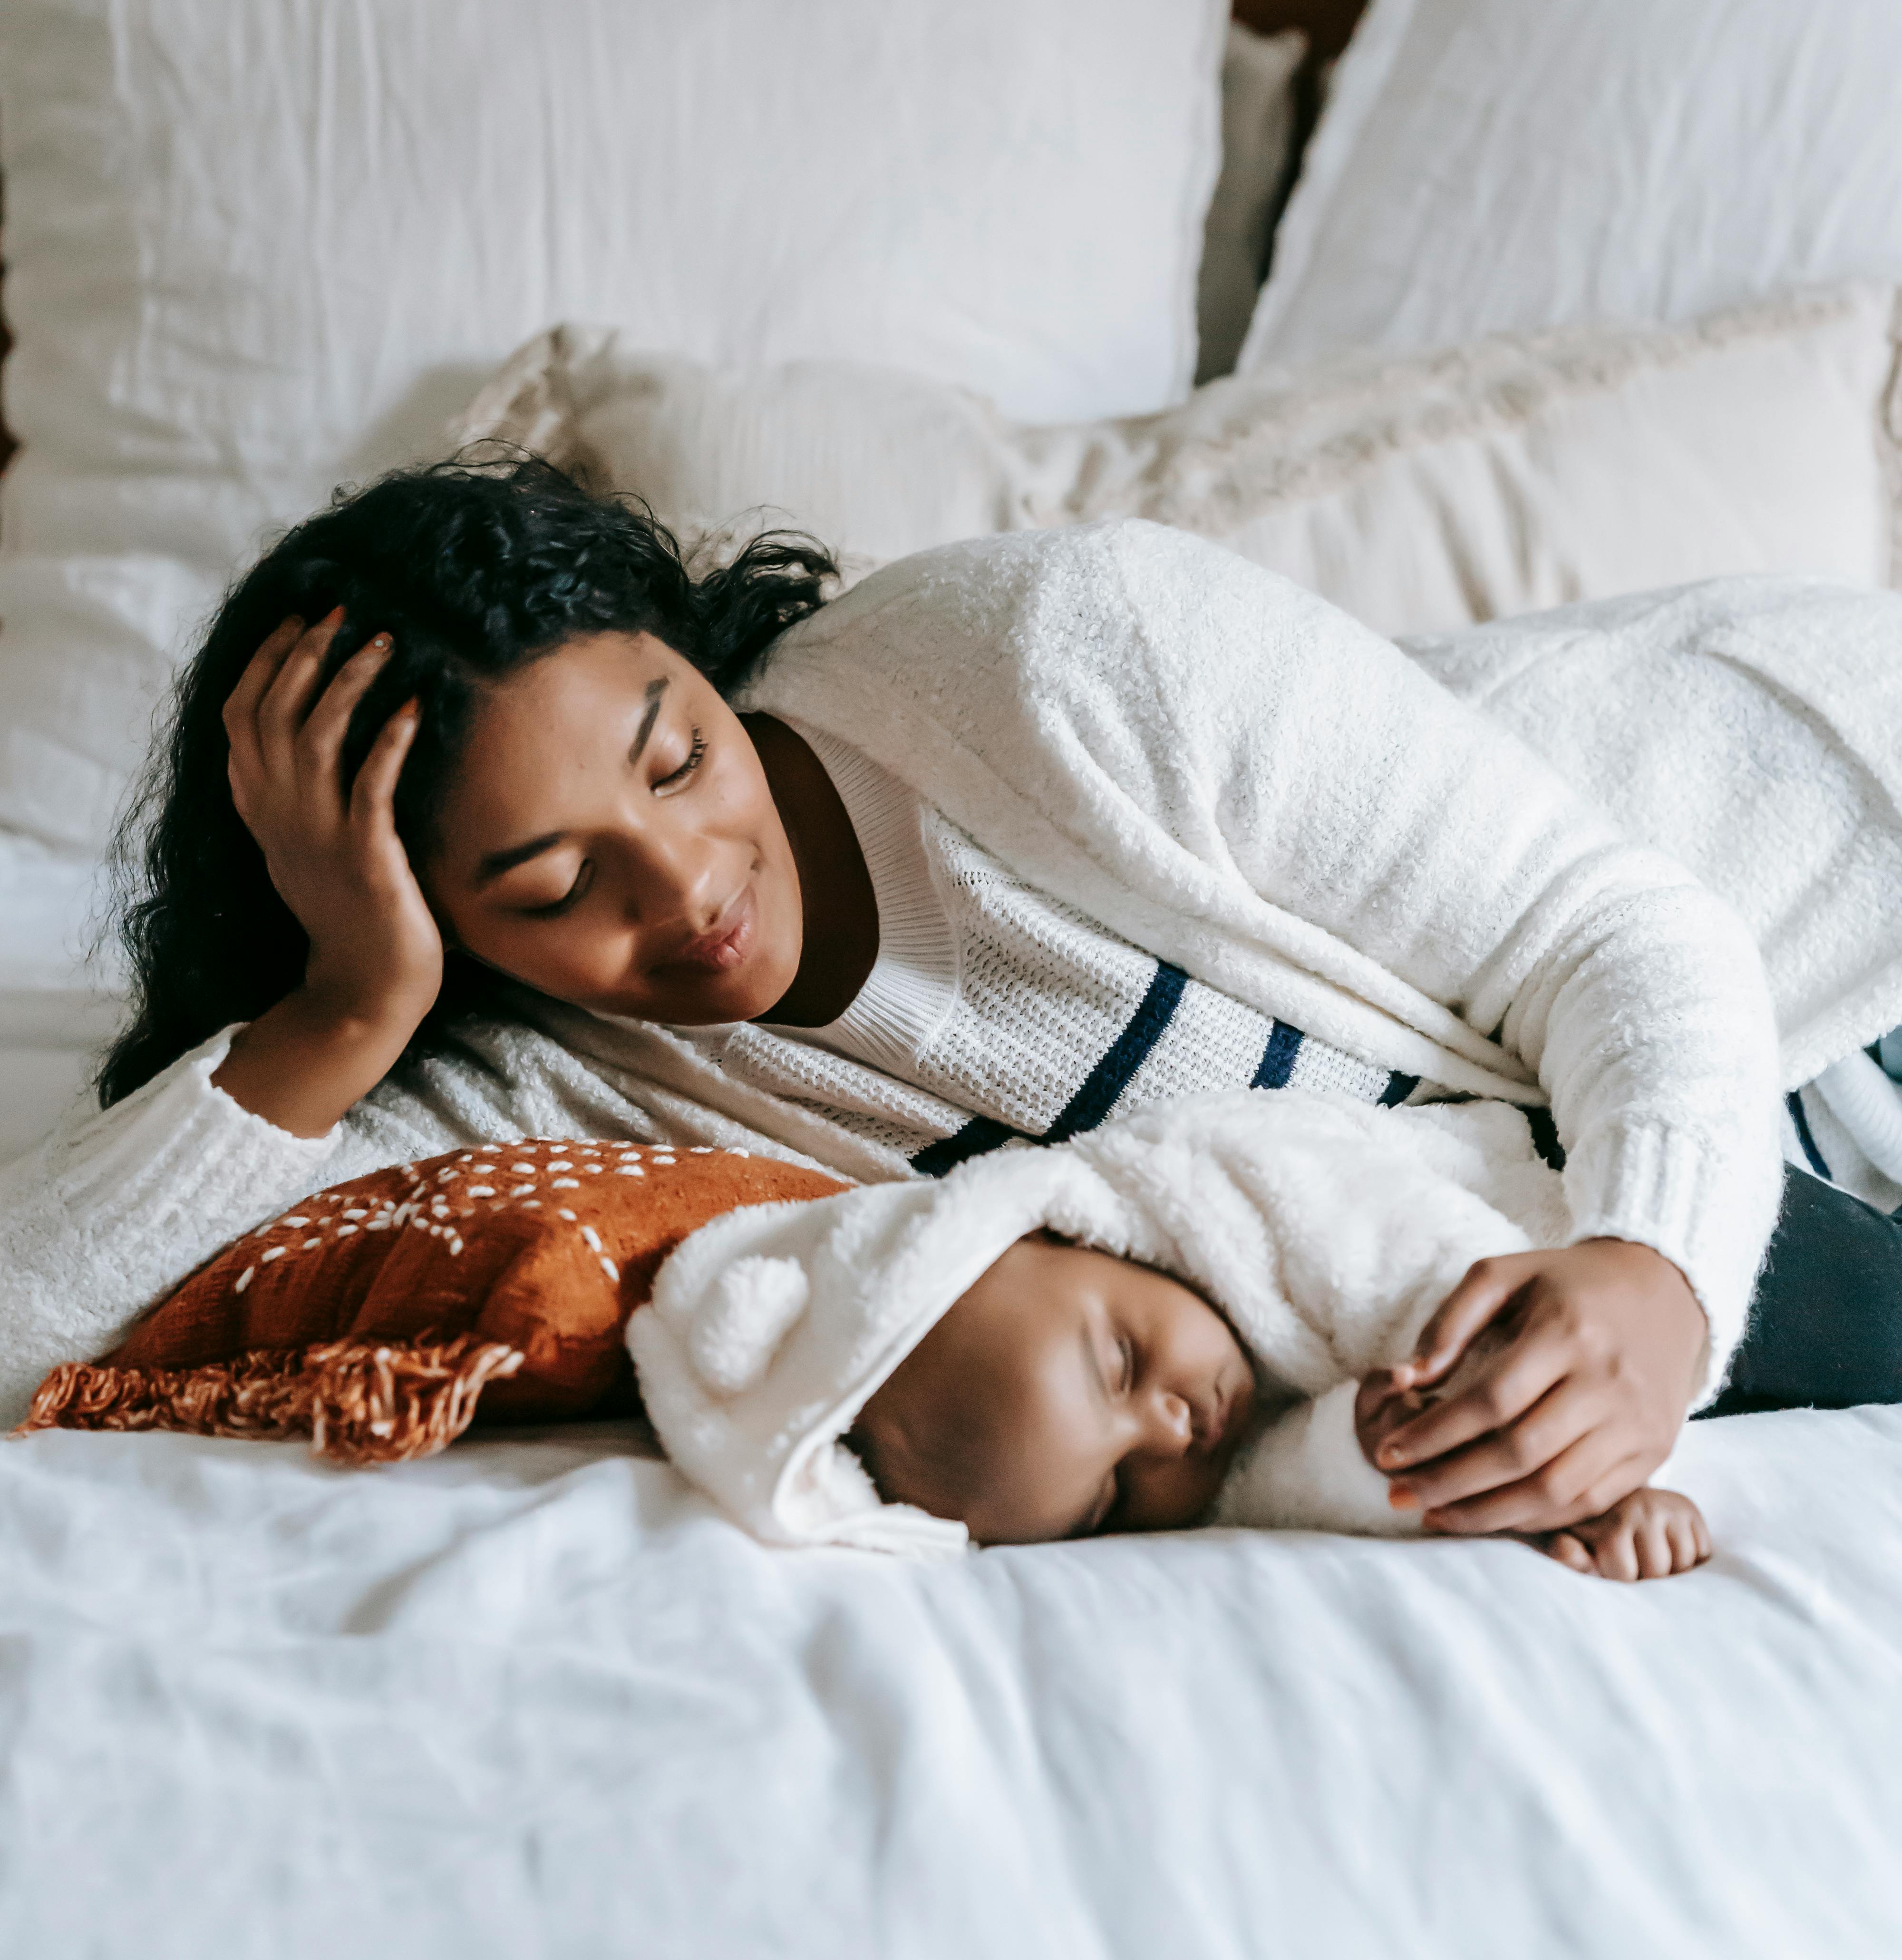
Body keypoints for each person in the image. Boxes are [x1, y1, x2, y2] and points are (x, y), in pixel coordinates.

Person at [5, 458, 1901, 1523]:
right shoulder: (535, 1103)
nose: (686, 892)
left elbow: (1620, 934)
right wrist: (343, 1006)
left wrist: (1656, 1261)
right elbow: (33, 1336)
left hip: (1808, 881)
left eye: (671, 756)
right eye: (555, 882)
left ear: (688, 652)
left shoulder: (1061, 654)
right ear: (441, 920)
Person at [845, 1229, 1715, 1579]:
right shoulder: (1246, 1483)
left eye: (1121, 1363)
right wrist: (1596, 1486)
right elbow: (1307, 1490)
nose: (1168, 1433)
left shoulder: (1243, 1202)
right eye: (1111, 1494)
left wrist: (1656, 1271)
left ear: (1068, 1234)